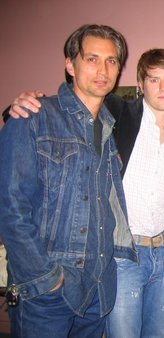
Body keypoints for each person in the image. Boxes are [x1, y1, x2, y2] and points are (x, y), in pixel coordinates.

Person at [5, 48, 164, 338]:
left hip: (161, 252)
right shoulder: (120, 114)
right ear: (140, 84)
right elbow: (73, 105)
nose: (163, 87)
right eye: (154, 79)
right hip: (123, 253)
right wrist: (21, 106)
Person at [0, 24, 137, 337]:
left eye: (112, 61)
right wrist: (45, 276)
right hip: (49, 290)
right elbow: (9, 206)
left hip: (98, 285)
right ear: (70, 64)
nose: (103, 69)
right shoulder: (33, 117)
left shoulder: (109, 126)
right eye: (92, 59)